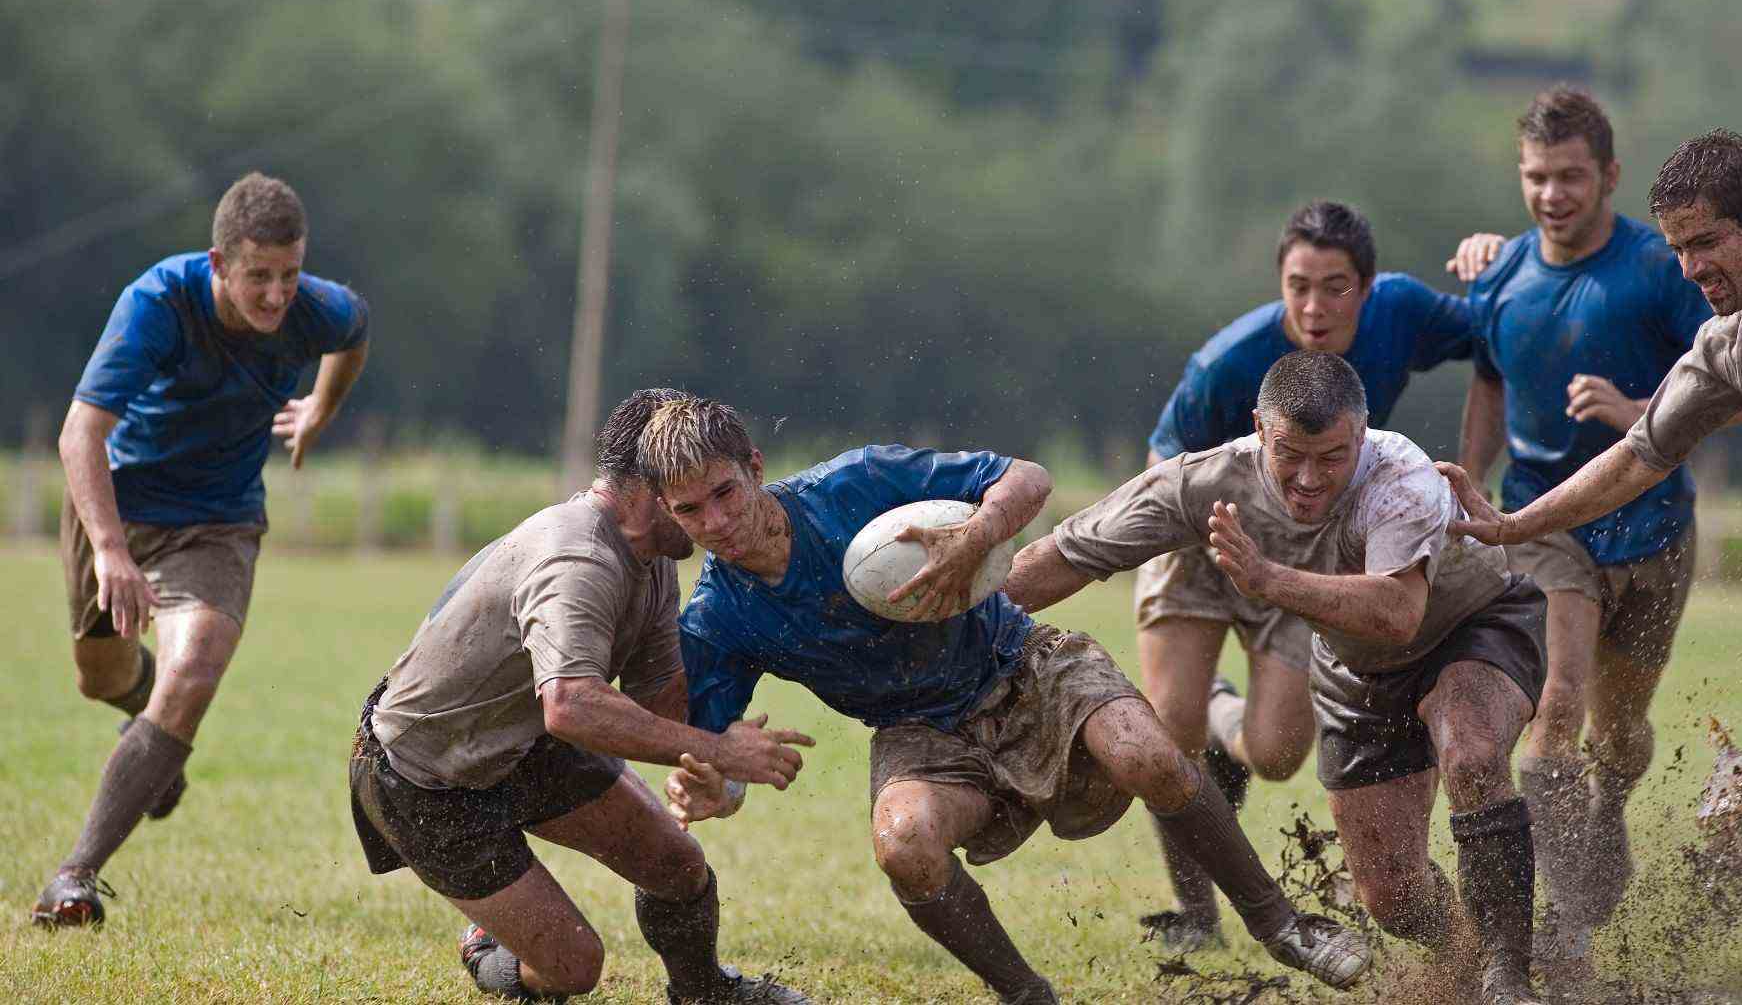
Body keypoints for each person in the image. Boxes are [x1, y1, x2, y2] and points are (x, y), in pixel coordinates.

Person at [643, 395, 1370, 1005]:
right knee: (904, 844)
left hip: (1021, 663)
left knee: (1148, 754)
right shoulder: (715, 620)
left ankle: (1284, 927)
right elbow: (719, 757)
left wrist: (978, 534)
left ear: (755, 469)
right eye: (690, 511)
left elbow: (1028, 477)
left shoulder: (853, 484)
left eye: (725, 493)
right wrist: (716, 787)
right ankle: (1026, 994)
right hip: (919, 730)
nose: (716, 522)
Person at [1441, 127, 1742, 894]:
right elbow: (1635, 456)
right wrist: (1508, 526)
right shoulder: (1728, 346)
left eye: (1707, 242)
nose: (1693, 268)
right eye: (1678, 250)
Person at [1009, 351, 1549, 1005]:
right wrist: (950, 618)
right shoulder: (1207, 479)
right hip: (1357, 672)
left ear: (1361, 432)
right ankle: (1465, 946)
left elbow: (1397, 612)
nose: (1308, 479)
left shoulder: (1402, 476)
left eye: (1331, 457)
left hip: (1472, 625)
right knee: (1392, 898)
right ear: (1260, 429)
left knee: (1471, 754)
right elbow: (1068, 552)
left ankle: (1509, 979)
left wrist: (1268, 579)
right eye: (1289, 453)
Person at [348, 389, 810, 1004]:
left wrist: (708, 760)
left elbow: (659, 708)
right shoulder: (580, 555)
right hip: (425, 776)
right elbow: (570, 703)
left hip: (527, 746)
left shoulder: (654, 557)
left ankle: (704, 994)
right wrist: (716, 751)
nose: (714, 523)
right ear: (651, 489)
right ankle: (488, 947)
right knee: (573, 968)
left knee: (678, 866)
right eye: (690, 495)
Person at [1443, 86, 1734, 962]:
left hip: (1653, 529)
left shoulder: (1658, 270)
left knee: (1621, 736)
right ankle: (1564, 925)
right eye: (1536, 177)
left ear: (1608, 175)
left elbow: (1740, 385)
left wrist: (1638, 409)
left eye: (1571, 176)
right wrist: (1474, 488)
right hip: (1544, 521)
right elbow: (1488, 379)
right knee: (1558, 710)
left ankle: (1605, 813)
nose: (1552, 195)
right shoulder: (1499, 279)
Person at [33, 173, 371, 927]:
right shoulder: (158, 303)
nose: (278, 295)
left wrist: (320, 408)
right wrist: (112, 551)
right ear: (219, 263)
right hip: (117, 502)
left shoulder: (317, 308)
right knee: (100, 677)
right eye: (259, 276)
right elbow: (79, 434)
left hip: (218, 518)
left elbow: (354, 333)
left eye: (289, 274)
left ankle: (74, 876)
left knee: (195, 667)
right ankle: (154, 744)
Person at [1139, 200, 1474, 948]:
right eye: (1298, 286)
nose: (1314, 307)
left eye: (1335, 287)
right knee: (1167, 732)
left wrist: (1497, 252)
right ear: (1279, 284)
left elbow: (1500, 324)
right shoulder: (1228, 361)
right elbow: (1162, 468)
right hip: (1200, 536)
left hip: (1303, 552)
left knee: (1277, 752)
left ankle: (1227, 722)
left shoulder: (1407, 313)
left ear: (1370, 286)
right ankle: (1197, 919)